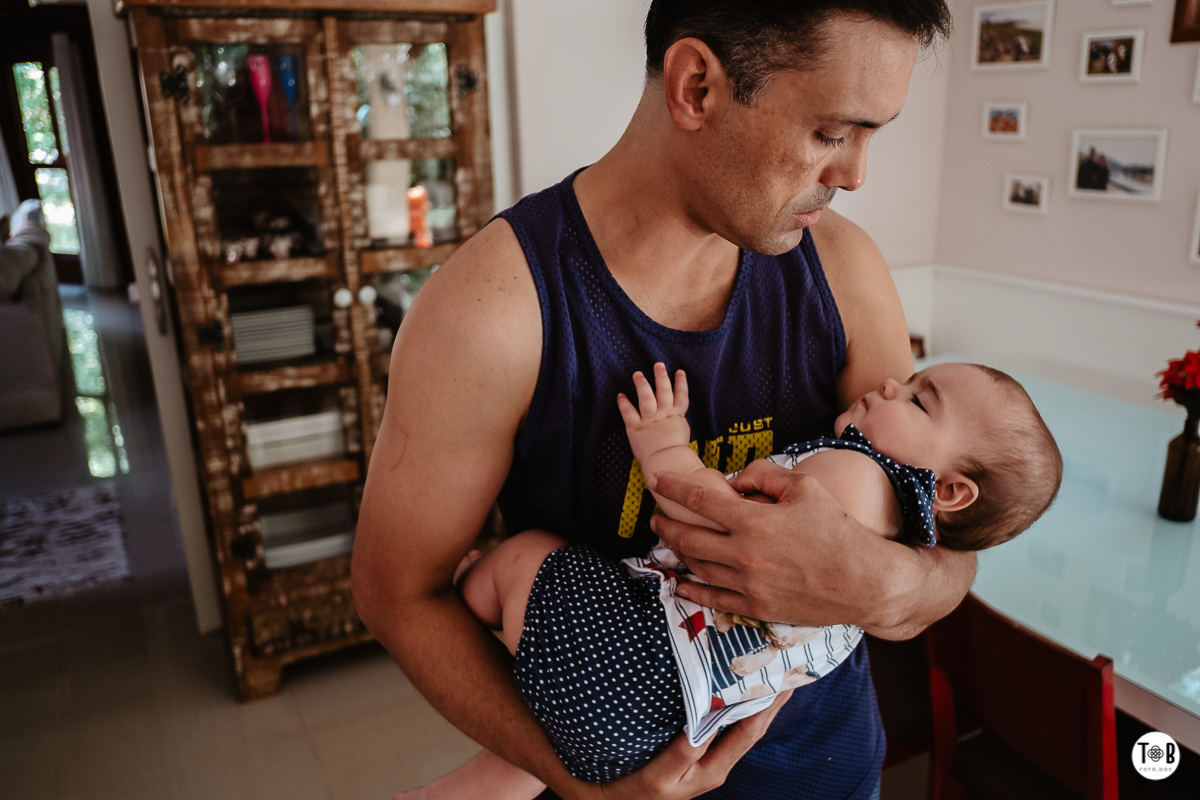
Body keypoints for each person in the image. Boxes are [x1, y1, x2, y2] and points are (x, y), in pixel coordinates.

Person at [353, 2, 965, 799]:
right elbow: (396, 592)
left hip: (833, 774)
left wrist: (899, 586)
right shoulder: (493, 312)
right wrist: (578, 782)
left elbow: (945, 542)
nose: (855, 174)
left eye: (872, 134)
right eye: (830, 133)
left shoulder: (845, 271)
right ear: (697, 87)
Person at [398, 361, 1062, 799]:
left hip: (637, 669)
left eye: (919, 398)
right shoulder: (903, 531)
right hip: (674, 723)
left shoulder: (854, 475)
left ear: (948, 489)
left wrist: (663, 444)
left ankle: (470, 588)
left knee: (526, 557)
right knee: (562, 732)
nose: (891, 382)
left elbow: (708, 523)